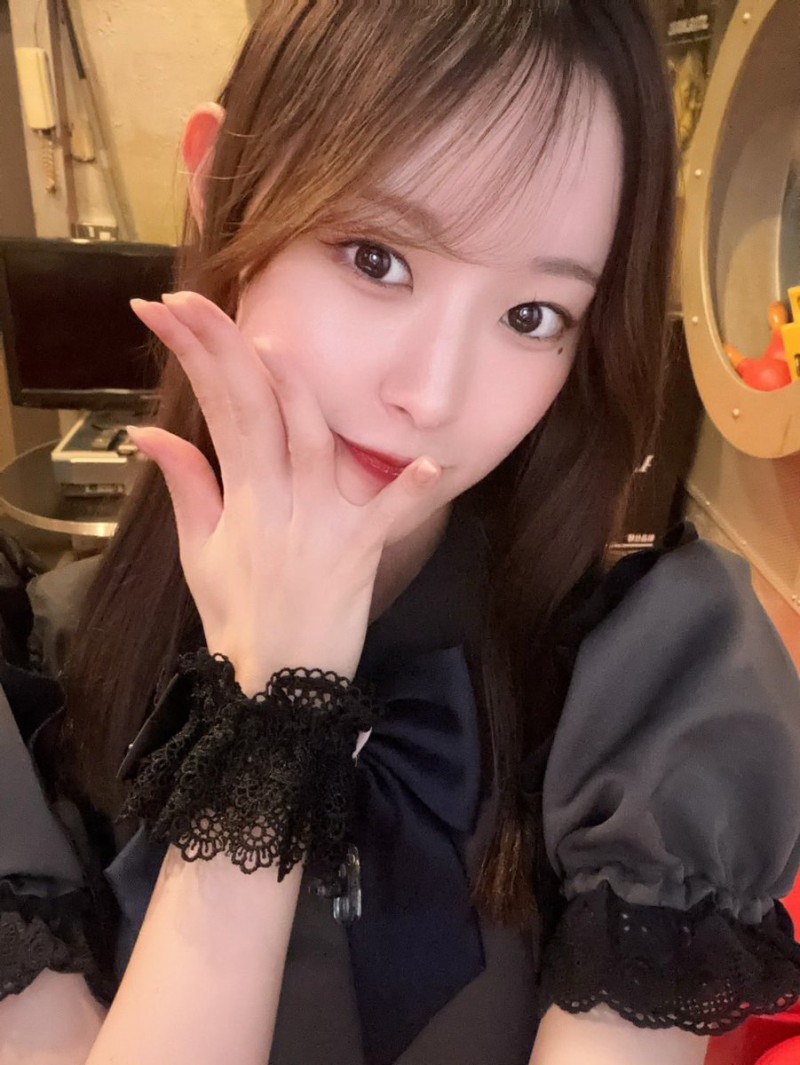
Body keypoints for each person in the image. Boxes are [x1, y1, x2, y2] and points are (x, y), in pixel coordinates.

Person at [2, 2, 800, 1063]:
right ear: (216, 186)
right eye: (374, 257)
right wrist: (266, 722)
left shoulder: (648, 695)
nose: (431, 393)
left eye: (531, 316)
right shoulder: (30, 689)